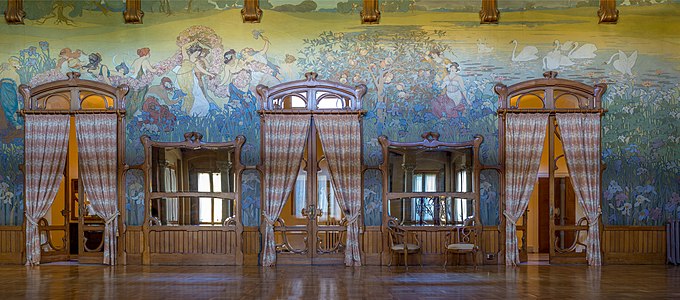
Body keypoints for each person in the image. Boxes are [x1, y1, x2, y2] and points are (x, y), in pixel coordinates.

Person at [176, 41, 216, 116]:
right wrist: (193, 42)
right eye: (198, 52)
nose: (199, 54)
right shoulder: (186, 56)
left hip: (190, 78)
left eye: (200, 52)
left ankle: (193, 112)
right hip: (182, 77)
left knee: (193, 95)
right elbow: (183, 47)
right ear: (195, 50)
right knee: (187, 95)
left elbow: (201, 69)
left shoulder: (196, 60)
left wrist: (210, 74)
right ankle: (188, 111)